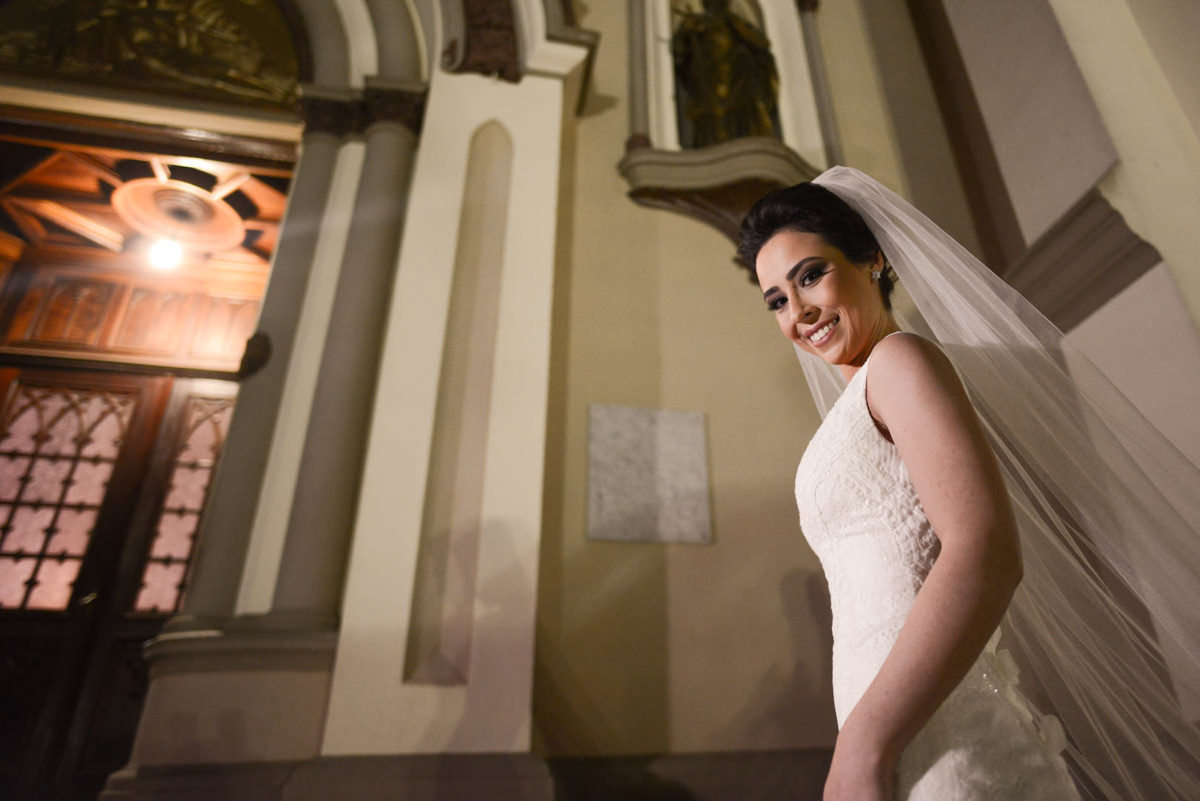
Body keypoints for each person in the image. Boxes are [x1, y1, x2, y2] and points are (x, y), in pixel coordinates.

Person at [737, 167, 1200, 801]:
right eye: (777, 301)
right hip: (896, 726)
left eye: (810, 275)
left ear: (871, 259)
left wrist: (865, 744)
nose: (799, 313)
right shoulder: (858, 401)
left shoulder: (900, 361)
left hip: (933, 734)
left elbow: (984, 550)